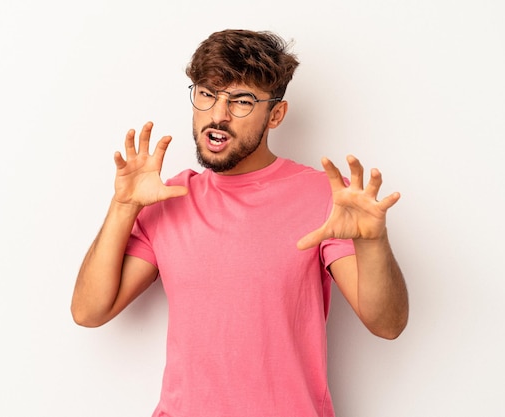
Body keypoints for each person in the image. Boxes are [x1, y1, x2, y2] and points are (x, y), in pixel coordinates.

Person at [71, 29, 408, 417]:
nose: (218, 114)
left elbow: (387, 325)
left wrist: (373, 242)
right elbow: (88, 312)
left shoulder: (325, 197)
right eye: (207, 94)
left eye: (242, 101)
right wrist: (122, 205)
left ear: (275, 114)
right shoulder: (169, 199)